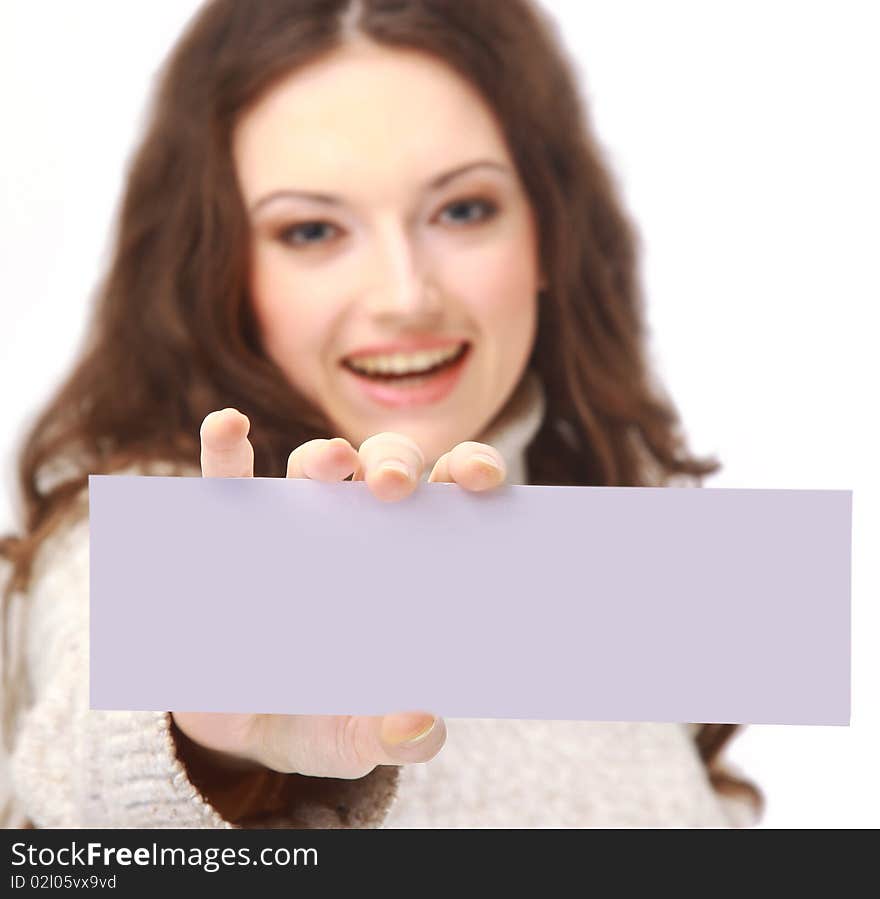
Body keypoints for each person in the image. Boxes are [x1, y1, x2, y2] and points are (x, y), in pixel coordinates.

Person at [0, 0, 763, 828]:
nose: (405, 296)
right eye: (313, 229)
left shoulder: (639, 543)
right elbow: (87, 774)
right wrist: (202, 751)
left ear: (550, 234)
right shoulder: (146, 530)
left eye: (462, 209)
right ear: (219, 270)